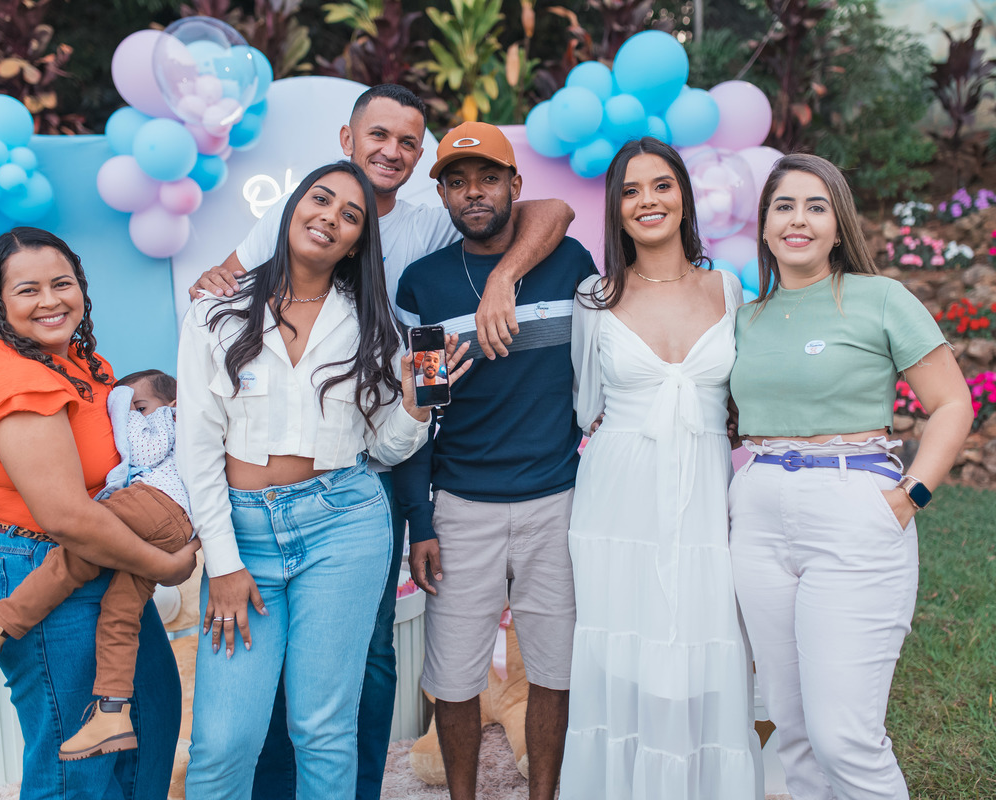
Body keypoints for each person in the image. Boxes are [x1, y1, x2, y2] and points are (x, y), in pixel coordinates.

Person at [191, 84, 573, 800]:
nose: (391, 151)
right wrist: (222, 556)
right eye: (379, 136)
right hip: (269, 511)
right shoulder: (242, 294)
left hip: (358, 491)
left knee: (354, 675)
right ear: (346, 139)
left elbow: (551, 211)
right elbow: (202, 422)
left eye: (408, 141)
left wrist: (498, 287)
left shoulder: (412, 259)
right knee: (234, 727)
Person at [177, 161, 468, 798]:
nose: (329, 218)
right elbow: (196, 448)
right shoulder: (215, 312)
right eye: (320, 199)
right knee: (223, 740)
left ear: (358, 242)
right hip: (243, 537)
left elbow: (384, 447)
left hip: (344, 525)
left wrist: (416, 406)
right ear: (290, 209)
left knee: (324, 729)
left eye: (350, 216)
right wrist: (222, 564)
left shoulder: (373, 325)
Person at [728, 153, 972, 800]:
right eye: (783, 206)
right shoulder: (746, 319)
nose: (798, 220)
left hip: (853, 508)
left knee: (844, 738)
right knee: (793, 731)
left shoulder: (880, 298)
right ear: (764, 224)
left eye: (816, 207)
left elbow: (952, 403)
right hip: (757, 514)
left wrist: (909, 497)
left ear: (839, 226)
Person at [0, 227, 197, 799]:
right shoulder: (16, 378)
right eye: (28, 290)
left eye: (62, 284)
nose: (50, 301)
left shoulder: (80, 362)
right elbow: (65, 516)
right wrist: (163, 566)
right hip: (44, 566)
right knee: (75, 774)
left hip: (106, 557)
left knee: (148, 728)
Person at [393, 121, 596, 800]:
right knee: (452, 680)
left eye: (487, 178)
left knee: (554, 672)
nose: (473, 193)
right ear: (443, 196)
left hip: (556, 500)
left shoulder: (569, 263)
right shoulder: (424, 285)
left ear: (516, 184)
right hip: (461, 508)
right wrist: (421, 522)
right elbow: (420, 412)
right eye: (457, 182)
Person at [563, 137, 763, 799]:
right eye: (630, 190)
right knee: (626, 640)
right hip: (619, 494)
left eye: (661, 185)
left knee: (703, 636)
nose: (647, 201)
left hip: (704, 487)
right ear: (615, 209)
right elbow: (585, 405)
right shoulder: (593, 296)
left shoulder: (726, 288)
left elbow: (742, 396)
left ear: (684, 196)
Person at [0, 367, 192, 762]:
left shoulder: (175, 417)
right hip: (174, 524)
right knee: (120, 614)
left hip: (154, 503)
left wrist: (121, 407)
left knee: (72, 558)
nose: (134, 414)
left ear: (173, 404)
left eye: (141, 406)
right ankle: (111, 712)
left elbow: (146, 450)